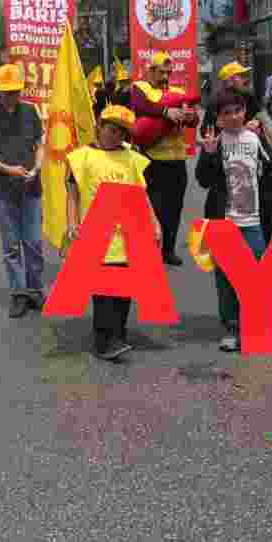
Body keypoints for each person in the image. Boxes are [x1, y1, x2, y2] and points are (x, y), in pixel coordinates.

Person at [195, 88, 272, 353]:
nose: (234, 117)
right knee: (226, 278)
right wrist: (209, 154)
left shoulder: (255, 140)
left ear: (245, 110)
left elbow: (268, 181)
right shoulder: (215, 141)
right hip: (224, 223)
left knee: (263, 278)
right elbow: (203, 180)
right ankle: (234, 328)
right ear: (218, 118)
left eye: (238, 110)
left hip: (254, 222)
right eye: (227, 113)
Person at [65, 105, 161, 360]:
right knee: (104, 290)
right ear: (99, 126)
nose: (115, 136)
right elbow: (72, 194)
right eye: (111, 129)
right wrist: (72, 222)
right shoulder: (82, 157)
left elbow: (142, 193)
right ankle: (103, 340)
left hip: (129, 231)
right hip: (97, 231)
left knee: (124, 287)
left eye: (121, 132)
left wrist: (154, 222)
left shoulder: (131, 158)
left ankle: (118, 333)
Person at [0, 62, 46, 318]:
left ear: (21, 89)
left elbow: (39, 145)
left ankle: (36, 290)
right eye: (6, 92)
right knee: (12, 245)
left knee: (34, 242)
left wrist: (37, 166)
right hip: (4, 189)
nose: (10, 96)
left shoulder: (30, 112)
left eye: (14, 91)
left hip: (31, 186)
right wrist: (7, 169)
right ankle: (19, 293)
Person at [130, 52, 198, 267]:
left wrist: (190, 116)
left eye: (169, 72)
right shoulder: (140, 88)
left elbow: (194, 119)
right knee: (154, 208)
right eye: (162, 72)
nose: (166, 76)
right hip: (153, 159)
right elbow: (142, 106)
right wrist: (166, 111)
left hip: (177, 158)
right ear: (150, 70)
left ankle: (168, 249)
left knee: (174, 208)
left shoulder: (177, 91)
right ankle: (151, 249)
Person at [216, 61, 272, 151]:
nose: (244, 79)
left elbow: (265, 120)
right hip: (228, 147)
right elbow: (208, 129)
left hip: (248, 144)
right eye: (241, 76)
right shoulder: (217, 100)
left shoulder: (247, 94)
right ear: (231, 80)